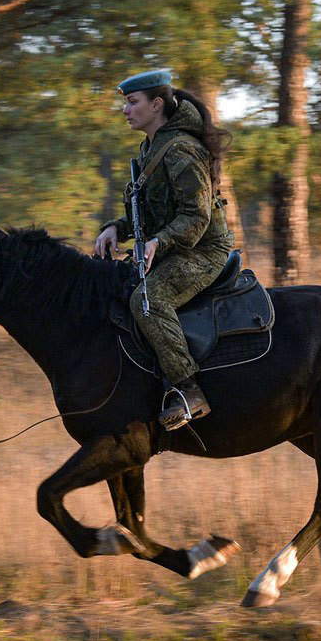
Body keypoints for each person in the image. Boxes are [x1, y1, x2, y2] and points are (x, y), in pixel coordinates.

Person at [94, 69, 234, 431]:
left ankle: (189, 391)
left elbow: (196, 216)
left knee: (149, 299)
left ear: (156, 105)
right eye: (125, 102)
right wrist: (116, 228)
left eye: (132, 102)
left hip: (203, 251)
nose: (125, 110)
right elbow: (153, 213)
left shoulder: (182, 149)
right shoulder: (152, 147)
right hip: (174, 248)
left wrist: (159, 242)